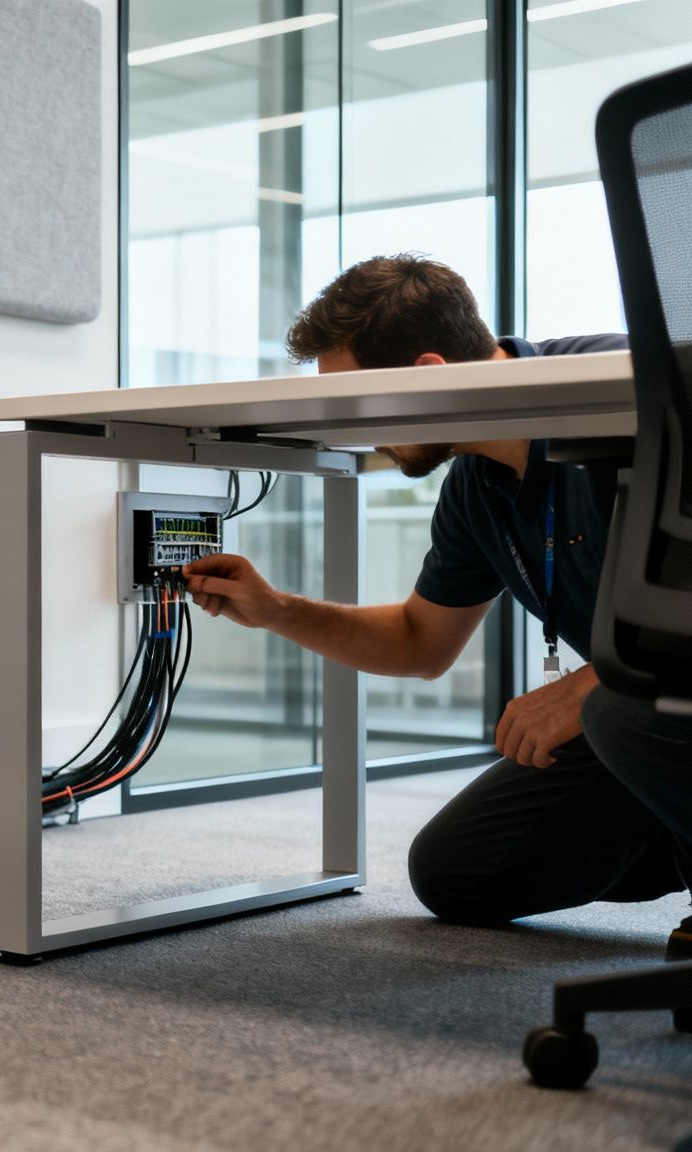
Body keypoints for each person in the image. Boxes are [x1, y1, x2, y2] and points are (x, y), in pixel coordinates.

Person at [182, 253, 691, 957]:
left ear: (426, 375)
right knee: (458, 871)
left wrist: (589, 684)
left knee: (613, 710)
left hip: (650, 703)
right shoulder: (475, 486)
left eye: (358, 402)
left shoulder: (628, 385)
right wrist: (276, 609)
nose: (357, 430)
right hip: (644, 717)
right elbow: (420, 641)